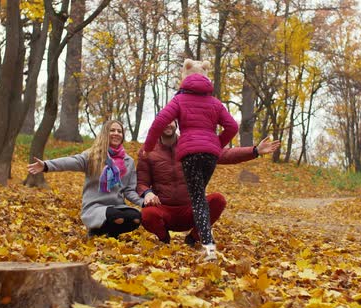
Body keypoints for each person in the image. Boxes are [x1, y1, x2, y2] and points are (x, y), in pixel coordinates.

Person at [141, 59, 239, 261]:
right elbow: (232, 127)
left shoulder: (179, 100)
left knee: (198, 200)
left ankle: (209, 248)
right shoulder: (214, 102)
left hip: (190, 155)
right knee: (199, 198)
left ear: (185, 75)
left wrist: (148, 147)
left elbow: (159, 121)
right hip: (210, 156)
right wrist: (216, 144)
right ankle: (202, 243)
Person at [138, 120, 280, 249]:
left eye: (171, 121)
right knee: (146, 213)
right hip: (164, 210)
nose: (167, 124)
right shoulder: (148, 150)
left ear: (176, 123)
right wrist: (147, 192)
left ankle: (193, 238)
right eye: (164, 121)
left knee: (218, 200)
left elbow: (223, 154)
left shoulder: (191, 144)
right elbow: (142, 182)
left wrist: (254, 151)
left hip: (192, 209)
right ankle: (164, 239)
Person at [27, 120, 143, 238]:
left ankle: (111, 233)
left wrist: (143, 203)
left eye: (119, 131)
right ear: (105, 134)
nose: (116, 133)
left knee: (135, 218)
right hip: (95, 207)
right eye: (112, 130)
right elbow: (70, 161)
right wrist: (46, 165)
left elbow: (129, 190)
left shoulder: (128, 162)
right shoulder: (92, 156)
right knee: (117, 217)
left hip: (118, 206)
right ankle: (96, 231)